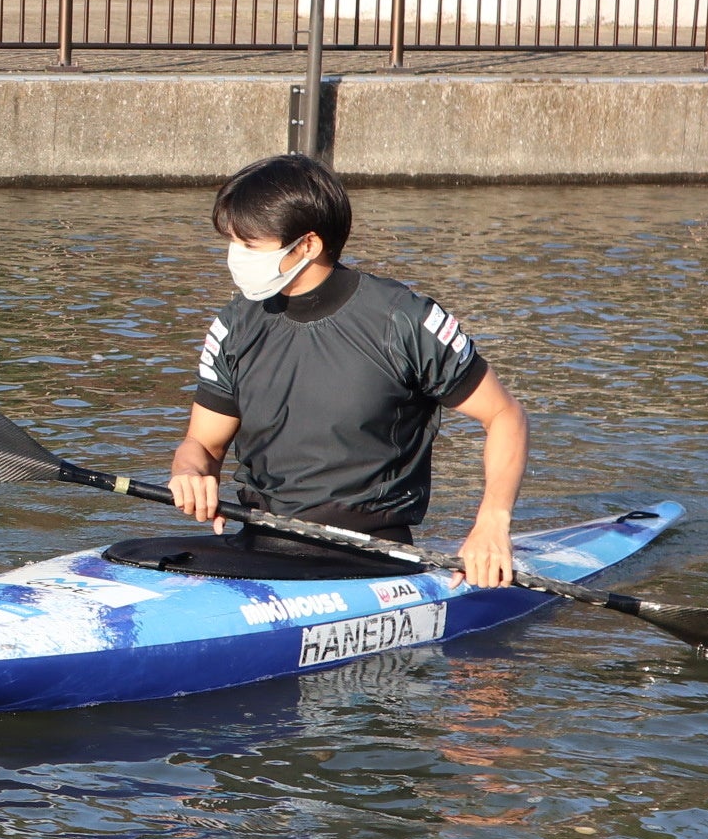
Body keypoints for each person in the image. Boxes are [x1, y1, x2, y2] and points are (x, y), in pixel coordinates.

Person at [156, 153, 526, 587]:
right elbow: (203, 442)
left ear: (307, 245)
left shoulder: (403, 320)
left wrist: (491, 526)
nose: (234, 257)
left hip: (372, 558)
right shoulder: (236, 324)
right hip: (261, 545)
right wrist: (190, 472)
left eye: (249, 245)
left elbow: (504, 417)